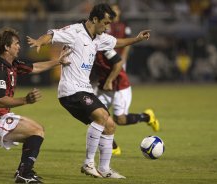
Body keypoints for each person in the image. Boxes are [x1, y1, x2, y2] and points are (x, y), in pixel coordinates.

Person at [27, 3, 150, 179]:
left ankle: (105, 169)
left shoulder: (99, 37)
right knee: (101, 116)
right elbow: (52, 34)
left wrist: (137, 39)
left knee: (110, 125)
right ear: (94, 19)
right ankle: (88, 163)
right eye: (105, 23)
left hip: (84, 90)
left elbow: (117, 42)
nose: (107, 27)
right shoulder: (76, 31)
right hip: (70, 91)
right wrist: (40, 41)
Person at [0, 27, 70, 183]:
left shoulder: (12, 64)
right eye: (16, 43)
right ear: (7, 47)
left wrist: (58, 62)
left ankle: (23, 171)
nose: (19, 46)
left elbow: (35, 67)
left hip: (1, 116)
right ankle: (24, 173)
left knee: (38, 130)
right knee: (36, 131)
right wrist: (26, 100)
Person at [90, 4, 160, 156]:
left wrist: (109, 81)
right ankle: (113, 146)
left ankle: (147, 116)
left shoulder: (103, 47)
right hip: (103, 86)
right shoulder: (88, 46)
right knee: (95, 115)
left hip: (119, 85)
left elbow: (118, 63)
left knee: (119, 120)